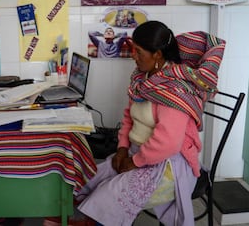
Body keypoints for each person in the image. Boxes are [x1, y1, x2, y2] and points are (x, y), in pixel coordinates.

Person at [76, 21, 226, 226]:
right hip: (137, 153)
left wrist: (134, 162)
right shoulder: (143, 81)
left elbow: (168, 143)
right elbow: (129, 116)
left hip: (168, 165)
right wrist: (121, 150)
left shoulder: (174, 90)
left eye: (138, 51)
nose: (133, 57)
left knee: (107, 199)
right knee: (89, 179)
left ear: (157, 54)